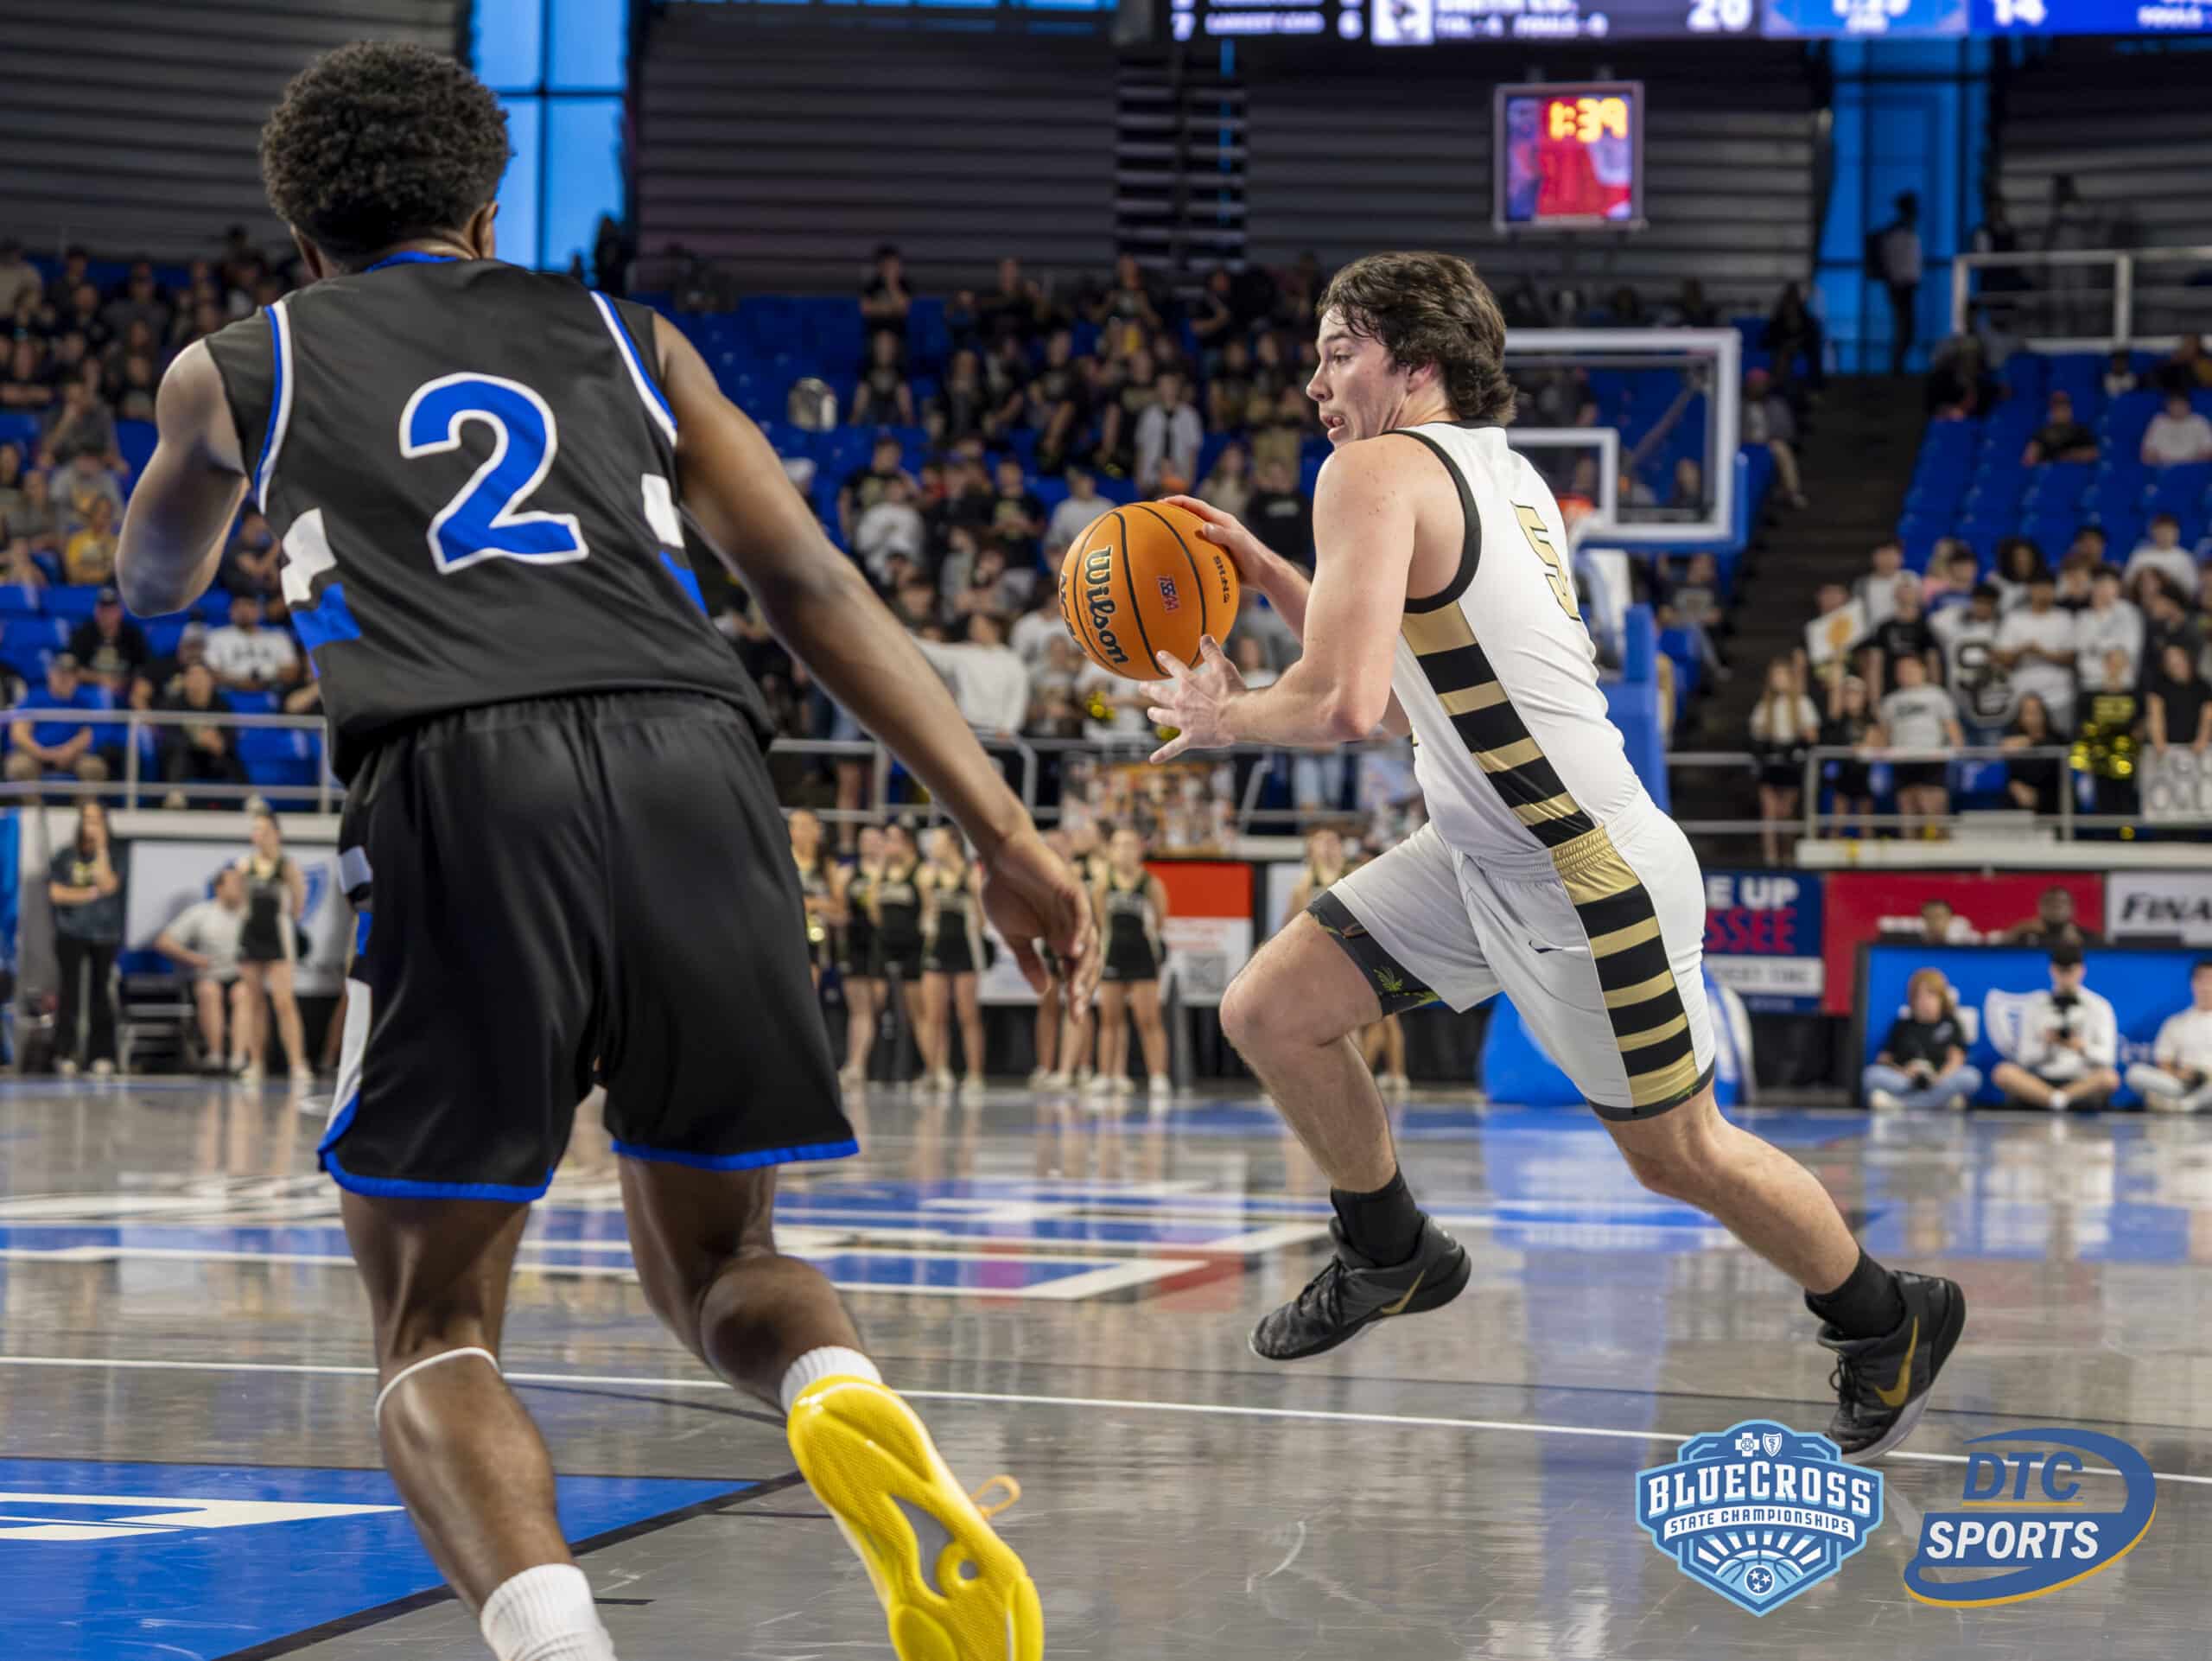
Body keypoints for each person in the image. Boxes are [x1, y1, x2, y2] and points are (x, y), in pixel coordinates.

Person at [114, 45, 1089, 1661]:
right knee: (726, 1260)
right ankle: (834, 1386)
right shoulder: (633, 337)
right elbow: (811, 585)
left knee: (433, 1321)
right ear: (487, 212)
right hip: (699, 762)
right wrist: (1001, 827)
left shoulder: (237, 365)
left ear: (299, 233)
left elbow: (153, 582)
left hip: (459, 773)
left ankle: (561, 1644)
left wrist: (213, 485)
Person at [1143, 249, 1961, 1458]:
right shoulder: (1499, 470)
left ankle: (1887, 1315)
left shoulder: (1368, 469)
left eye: (1338, 352)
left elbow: (1346, 704)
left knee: (1679, 1153)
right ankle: (1390, 1248)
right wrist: (1271, 576)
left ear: (1417, 363)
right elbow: (1407, 669)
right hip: (1485, 848)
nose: (1314, 380)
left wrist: (1226, 717)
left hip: (1584, 873)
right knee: (1272, 1009)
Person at [230, 807, 311, 1087]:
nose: (259, 835)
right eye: (255, 830)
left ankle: (297, 1064)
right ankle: (256, 1062)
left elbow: (298, 906)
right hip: (252, 935)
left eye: (264, 830)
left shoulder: (287, 866)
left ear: (276, 834)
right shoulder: (244, 866)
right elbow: (237, 901)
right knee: (254, 1002)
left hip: (278, 936)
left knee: (283, 1001)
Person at [1090, 825, 1170, 1104]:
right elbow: (1100, 922)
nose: (1123, 851)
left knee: (1148, 1019)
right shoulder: (1103, 884)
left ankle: (1158, 1075)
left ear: (1139, 850)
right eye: (1117, 845)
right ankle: (1106, 1074)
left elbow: (1159, 921)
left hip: (1142, 957)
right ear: (1110, 851)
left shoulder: (1151, 884)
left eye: (1128, 845)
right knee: (1109, 1020)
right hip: (1113, 955)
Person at [1990, 944, 2120, 1112]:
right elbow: (2024, 1057)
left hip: (2081, 1080)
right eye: (2061, 971)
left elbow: (2108, 1058)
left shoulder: (2099, 1006)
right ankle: (2056, 1100)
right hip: (2041, 1080)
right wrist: (2046, 1044)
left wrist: (2081, 1048)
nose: (2066, 977)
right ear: (2052, 970)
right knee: (2003, 1072)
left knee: (2109, 1078)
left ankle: (2056, 1100)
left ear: (2082, 970)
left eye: (2070, 971)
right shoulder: (2034, 1005)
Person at [47, 799, 124, 1078]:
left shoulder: (115, 853)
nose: (91, 825)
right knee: (69, 993)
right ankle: (65, 1052)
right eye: (87, 819)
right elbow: (56, 893)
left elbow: (108, 884)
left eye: (96, 819)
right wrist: (90, 894)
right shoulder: (66, 855)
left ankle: (101, 1054)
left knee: (101, 994)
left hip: (104, 933)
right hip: (70, 932)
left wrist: (101, 849)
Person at [155, 867, 252, 1073]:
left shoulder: (250, 915)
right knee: (209, 991)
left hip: (240, 976)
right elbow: (163, 942)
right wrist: (194, 959)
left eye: (241, 884)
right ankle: (215, 1055)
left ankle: (238, 1058)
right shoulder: (201, 913)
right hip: (210, 975)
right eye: (234, 884)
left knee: (244, 993)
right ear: (219, 888)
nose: (239, 888)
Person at [918, 827, 988, 1098]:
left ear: (953, 844)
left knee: (968, 1015)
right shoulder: (928, 876)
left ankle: (974, 1074)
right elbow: (926, 913)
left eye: (938, 842)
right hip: (937, 948)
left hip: (965, 949)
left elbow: (982, 919)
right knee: (934, 1014)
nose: (933, 847)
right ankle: (936, 1070)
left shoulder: (971, 875)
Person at [1863, 970, 1982, 1112]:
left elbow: (1956, 1060)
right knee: (1871, 1075)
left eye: (1931, 995)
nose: (1925, 1002)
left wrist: (1938, 1077)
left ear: (1941, 999)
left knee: (1971, 1077)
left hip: (1939, 1080)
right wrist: (1905, 1072)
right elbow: (1884, 1059)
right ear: (1912, 1000)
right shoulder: (1902, 1024)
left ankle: (1902, 1104)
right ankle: (1938, 1104)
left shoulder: (1951, 1024)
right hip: (1907, 1081)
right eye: (1919, 996)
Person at [867, 823, 931, 1088]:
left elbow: (929, 910)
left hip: (912, 947)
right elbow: (873, 908)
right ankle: (879, 1068)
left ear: (908, 843)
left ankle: (929, 1069)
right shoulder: (881, 872)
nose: (887, 844)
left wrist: (923, 939)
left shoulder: (921, 872)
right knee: (878, 1007)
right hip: (885, 945)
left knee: (917, 1011)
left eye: (892, 839)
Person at [1874, 654, 1964, 837]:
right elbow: (1883, 733)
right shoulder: (1891, 701)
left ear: (1922, 670)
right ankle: (1910, 849)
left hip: (1931, 758)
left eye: (1910, 668)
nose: (1905, 673)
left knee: (1932, 809)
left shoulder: (1937, 695)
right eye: (1901, 670)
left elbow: (1952, 727)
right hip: (1902, 759)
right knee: (1908, 810)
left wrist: (1957, 748)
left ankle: (1940, 848)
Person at [1748, 659, 1818, 866]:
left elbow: (1812, 734)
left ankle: (1787, 855)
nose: (1778, 680)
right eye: (1775, 676)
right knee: (1769, 813)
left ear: (1790, 678)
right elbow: (1756, 733)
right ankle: (1770, 858)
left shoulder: (1802, 703)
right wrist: (1766, 747)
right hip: (1771, 762)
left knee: (1786, 813)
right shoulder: (1764, 706)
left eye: (1782, 675)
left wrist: (1796, 745)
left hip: (1791, 762)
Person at [1995, 573, 2078, 734]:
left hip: (2059, 697)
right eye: (2039, 587)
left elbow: (2072, 657)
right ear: (2030, 590)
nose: (2044, 592)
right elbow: (2002, 658)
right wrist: (2021, 651)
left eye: (2048, 588)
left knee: (2060, 743)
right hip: (2022, 698)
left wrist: (2043, 653)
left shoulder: (2064, 618)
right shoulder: (2015, 618)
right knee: (2022, 745)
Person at [2126, 960, 2212, 1114]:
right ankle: (2185, 1104)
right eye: (2202, 980)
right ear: (2193, 983)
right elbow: (2164, 1062)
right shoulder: (2176, 1022)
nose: (2206, 986)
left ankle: (2185, 1107)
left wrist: (2207, 1075)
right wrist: (2182, 1074)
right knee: (2135, 1073)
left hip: (2209, 1086)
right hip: (2182, 1084)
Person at [835, 824, 885, 1087]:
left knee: (876, 1007)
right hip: (856, 945)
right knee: (859, 1008)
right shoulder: (847, 873)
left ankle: (869, 1064)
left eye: (875, 840)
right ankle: (855, 1064)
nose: (870, 845)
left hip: (882, 946)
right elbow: (839, 910)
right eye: (865, 840)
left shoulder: (888, 874)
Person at [788, 806, 839, 995]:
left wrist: (814, 904)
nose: (799, 831)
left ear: (817, 829)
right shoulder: (783, 861)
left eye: (804, 825)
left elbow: (840, 907)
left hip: (814, 936)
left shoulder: (827, 865)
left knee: (809, 991)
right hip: (786, 933)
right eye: (794, 826)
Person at [1821, 674, 1878, 839]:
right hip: (1843, 774)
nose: (1851, 698)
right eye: (1847, 694)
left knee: (1866, 824)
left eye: (1855, 694)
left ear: (1863, 697)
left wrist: (1865, 746)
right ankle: (1832, 852)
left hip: (1864, 775)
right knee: (1837, 822)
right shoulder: (1839, 719)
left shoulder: (1869, 719)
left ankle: (1870, 855)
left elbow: (1875, 739)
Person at [1874, 192, 1922, 376]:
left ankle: (1898, 363)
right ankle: (1896, 365)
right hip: (1900, 286)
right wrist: (1901, 280)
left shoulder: (1907, 231)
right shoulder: (1895, 233)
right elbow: (1894, 262)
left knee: (1907, 327)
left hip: (1905, 285)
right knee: (1904, 327)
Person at [2000, 692, 2066, 817]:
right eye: (2028, 713)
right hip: (2021, 799)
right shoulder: (2013, 740)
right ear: (2020, 717)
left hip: (2052, 798)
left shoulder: (2057, 740)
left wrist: (2030, 741)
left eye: (2036, 712)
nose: (2033, 717)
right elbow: (2011, 775)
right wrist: (2015, 786)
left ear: (2044, 714)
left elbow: (2050, 773)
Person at [2147, 640, 2212, 758]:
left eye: (2178, 657)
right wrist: (2160, 746)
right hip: (2166, 748)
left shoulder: (2203, 687)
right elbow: (2155, 716)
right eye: (2169, 659)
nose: (2174, 663)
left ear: (2187, 657)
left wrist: (2201, 743)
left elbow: (2207, 718)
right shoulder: (2158, 687)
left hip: (2197, 748)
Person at [2002, 884, 2098, 948]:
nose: (2056, 906)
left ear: (2072, 908)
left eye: (2062, 902)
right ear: (2040, 907)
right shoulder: (2025, 935)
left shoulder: (2088, 938)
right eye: (2050, 902)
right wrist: (2018, 930)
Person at [2022, 391, 2098, 466]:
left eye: (2065, 408)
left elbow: (2094, 454)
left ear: (2070, 410)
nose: (2061, 413)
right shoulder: (2042, 434)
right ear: (2051, 412)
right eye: (2057, 409)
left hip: (2077, 472)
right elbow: (2028, 459)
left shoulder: (2081, 431)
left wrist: (2070, 455)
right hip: (2051, 472)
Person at [2140, 391, 2212, 468]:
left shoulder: (2199, 421)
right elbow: (2146, 454)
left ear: (2189, 405)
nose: (2177, 408)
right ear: (2166, 406)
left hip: (2194, 467)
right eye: (2173, 405)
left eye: (2181, 404)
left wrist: (2187, 463)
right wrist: (2163, 462)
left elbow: (2208, 451)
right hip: (2163, 467)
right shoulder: (2158, 421)